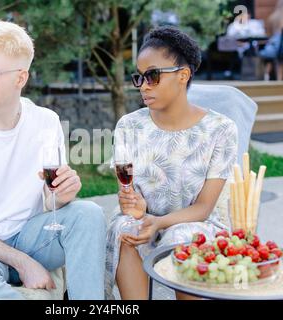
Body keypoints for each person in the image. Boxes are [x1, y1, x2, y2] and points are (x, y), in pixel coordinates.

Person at [0, 20, 106, 300]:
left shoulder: (46, 123)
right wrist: (22, 262)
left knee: (89, 214)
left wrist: (62, 196)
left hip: (29, 236)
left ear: (20, 78)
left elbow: (50, 202)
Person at [105, 26, 238, 300]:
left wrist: (160, 222)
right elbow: (130, 197)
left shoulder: (220, 129)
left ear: (183, 75)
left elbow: (203, 208)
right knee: (124, 229)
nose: (143, 86)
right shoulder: (129, 126)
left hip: (196, 223)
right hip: (146, 222)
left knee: (181, 237)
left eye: (152, 76)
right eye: (139, 77)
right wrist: (136, 207)